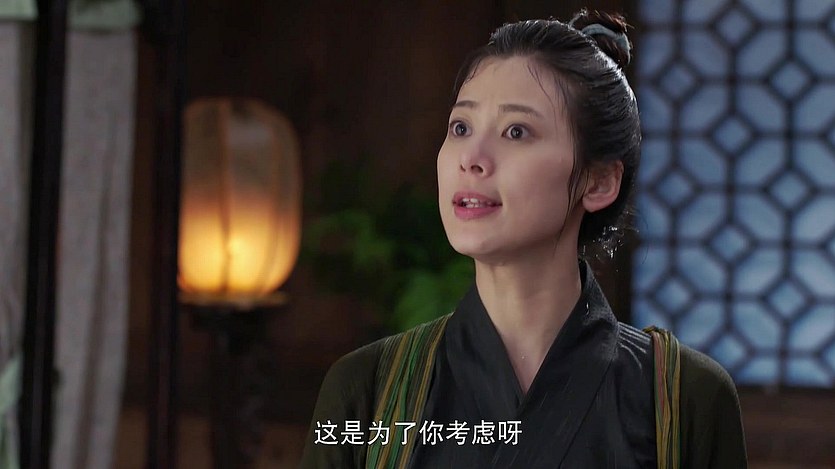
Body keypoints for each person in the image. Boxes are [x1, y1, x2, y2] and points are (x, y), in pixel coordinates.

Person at [300, 10, 747, 469]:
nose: (471, 158)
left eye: (516, 131)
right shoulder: (369, 389)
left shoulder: (684, 398)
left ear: (598, 182)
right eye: (461, 128)